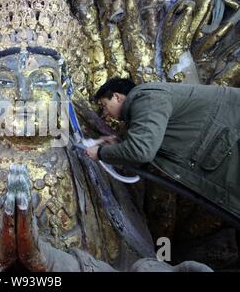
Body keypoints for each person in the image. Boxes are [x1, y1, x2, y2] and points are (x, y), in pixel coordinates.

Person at [86, 78, 240, 218]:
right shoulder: (147, 102)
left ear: (117, 97)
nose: (105, 113)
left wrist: (100, 153)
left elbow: (141, 150)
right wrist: (119, 143)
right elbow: (149, 137)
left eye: (104, 106)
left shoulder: (147, 98)